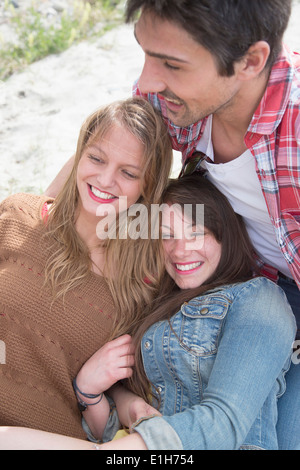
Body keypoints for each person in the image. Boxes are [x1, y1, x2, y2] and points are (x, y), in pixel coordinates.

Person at [0, 174, 296, 450]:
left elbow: (224, 423)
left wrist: (120, 452)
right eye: (167, 236)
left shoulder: (259, 299)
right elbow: (112, 429)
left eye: (196, 233)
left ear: (224, 233)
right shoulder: (153, 310)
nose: (180, 251)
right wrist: (90, 393)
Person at [124, 0, 300, 450]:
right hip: (244, 275)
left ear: (251, 61)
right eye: (145, 53)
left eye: (172, 64)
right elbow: (100, 164)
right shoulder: (170, 102)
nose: (146, 81)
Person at [0, 97, 172, 439]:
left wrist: (95, 389)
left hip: (53, 437)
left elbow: (113, 396)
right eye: (96, 158)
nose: (105, 179)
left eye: (128, 173)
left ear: (146, 187)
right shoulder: (18, 215)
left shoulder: (139, 288)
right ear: (79, 157)